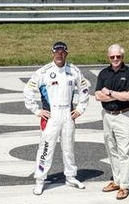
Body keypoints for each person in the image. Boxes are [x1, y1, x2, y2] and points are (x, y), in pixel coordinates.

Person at [23, 41, 90, 195]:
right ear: (52, 53)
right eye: (56, 52)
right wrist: (37, 110)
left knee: (69, 148)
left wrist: (80, 109)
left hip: (68, 114)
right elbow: (27, 91)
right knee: (46, 148)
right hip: (50, 116)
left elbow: (85, 89)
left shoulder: (74, 71)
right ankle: (40, 179)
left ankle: (71, 177)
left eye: (62, 52)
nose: (59, 54)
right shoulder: (43, 72)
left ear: (66, 53)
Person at [95, 44, 129, 200]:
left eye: (118, 56)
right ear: (108, 57)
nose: (115, 59)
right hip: (107, 115)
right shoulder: (103, 73)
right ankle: (117, 180)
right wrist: (118, 95)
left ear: (122, 57)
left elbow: (128, 97)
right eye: (112, 57)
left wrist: (111, 93)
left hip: (123, 115)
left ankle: (125, 186)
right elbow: (98, 96)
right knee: (111, 148)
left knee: (125, 152)